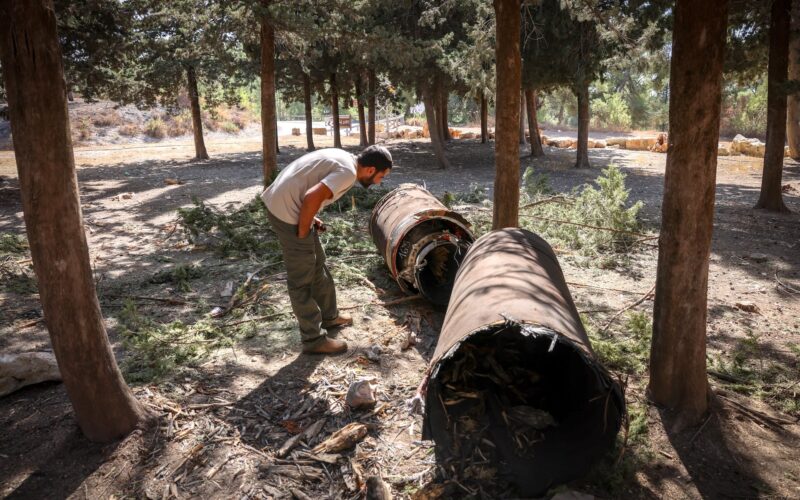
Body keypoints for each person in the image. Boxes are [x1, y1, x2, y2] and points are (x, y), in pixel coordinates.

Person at [261, 146, 392, 354]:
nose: (379, 182)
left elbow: (306, 186)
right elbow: (312, 197)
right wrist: (303, 232)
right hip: (285, 213)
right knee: (301, 278)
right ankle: (313, 340)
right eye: (381, 176)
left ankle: (329, 317)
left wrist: (310, 218)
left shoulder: (345, 158)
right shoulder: (348, 173)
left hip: (284, 202)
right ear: (370, 170)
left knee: (318, 263)